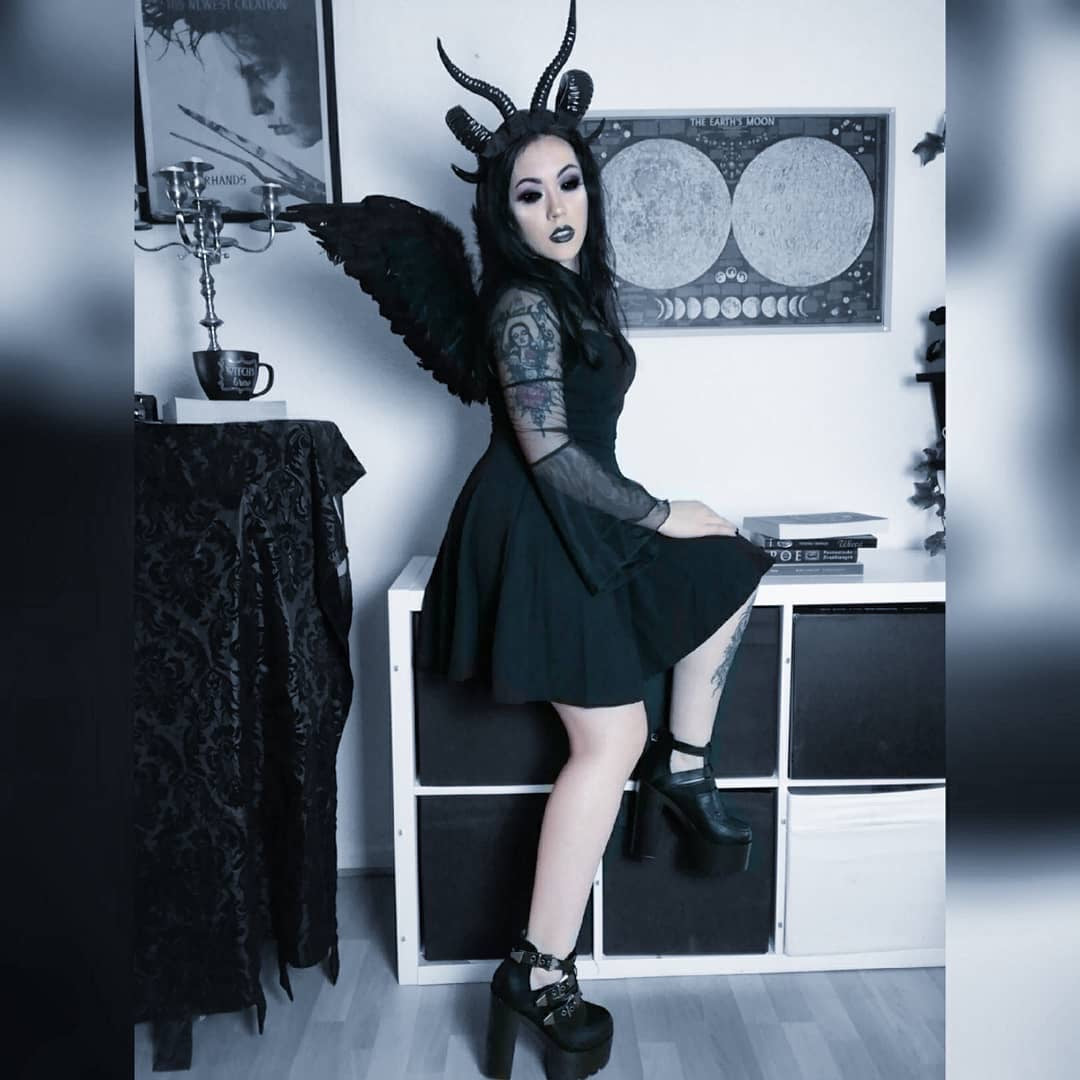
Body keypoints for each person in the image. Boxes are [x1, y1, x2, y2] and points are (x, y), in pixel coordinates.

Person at [291, 4, 774, 1076]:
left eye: (567, 183)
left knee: (730, 561)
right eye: (529, 193)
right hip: (537, 518)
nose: (557, 207)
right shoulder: (518, 304)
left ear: (589, 186)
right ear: (502, 212)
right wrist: (660, 510)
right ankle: (539, 971)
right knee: (606, 743)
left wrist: (670, 516)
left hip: (575, 511)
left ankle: (685, 770)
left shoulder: (567, 289)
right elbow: (549, 453)